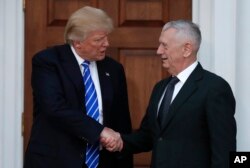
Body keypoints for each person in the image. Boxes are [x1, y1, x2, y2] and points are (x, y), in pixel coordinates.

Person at [104, 20, 237, 168]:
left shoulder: (215, 88)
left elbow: (224, 151)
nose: (159, 51)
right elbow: (148, 136)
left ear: (186, 49)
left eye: (165, 46)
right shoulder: (160, 88)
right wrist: (118, 140)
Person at [24, 6, 133, 168]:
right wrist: (99, 131)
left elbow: (121, 119)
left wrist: (124, 157)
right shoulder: (48, 62)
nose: (106, 44)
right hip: (56, 160)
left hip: (103, 161)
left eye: (106, 38)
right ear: (77, 42)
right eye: (98, 40)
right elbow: (54, 108)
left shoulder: (113, 69)